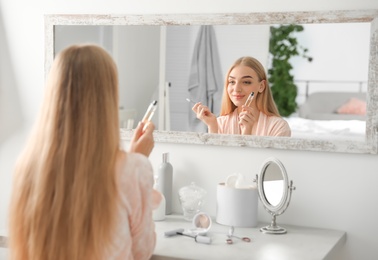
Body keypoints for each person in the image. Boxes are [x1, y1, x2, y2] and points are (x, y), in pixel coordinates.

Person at [8, 44, 161, 260]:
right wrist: (137, 160)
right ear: (107, 99)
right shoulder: (133, 170)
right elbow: (141, 252)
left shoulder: (27, 166)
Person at [191, 56, 291, 137]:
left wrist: (247, 133)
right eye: (232, 82)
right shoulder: (219, 123)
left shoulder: (278, 127)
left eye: (246, 82)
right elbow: (214, 160)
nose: (236, 89)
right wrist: (212, 126)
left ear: (261, 86)